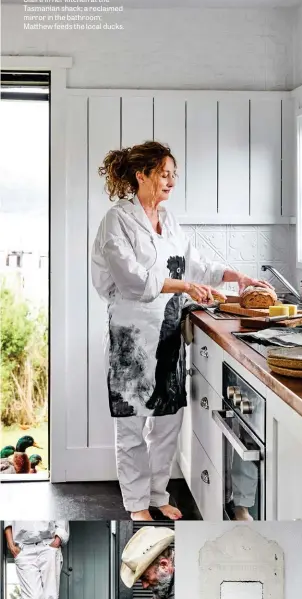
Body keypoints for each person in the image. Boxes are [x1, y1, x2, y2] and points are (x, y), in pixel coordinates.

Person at [91, 140, 273, 521]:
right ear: (141, 175)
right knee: (131, 425)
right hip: (131, 338)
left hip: (169, 333)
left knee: (167, 423)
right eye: (164, 174)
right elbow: (133, 281)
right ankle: (137, 504)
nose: (171, 181)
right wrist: (185, 286)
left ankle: (157, 494)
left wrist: (234, 276)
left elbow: (196, 264)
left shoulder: (169, 220)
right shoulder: (117, 220)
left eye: (174, 175)